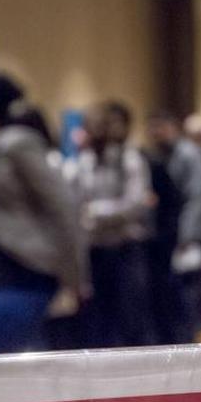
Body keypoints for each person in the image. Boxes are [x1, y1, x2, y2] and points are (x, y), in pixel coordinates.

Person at [0, 72, 86, 353]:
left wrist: (75, 275)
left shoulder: (17, 143)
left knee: (11, 365)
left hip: (18, 272)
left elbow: (61, 205)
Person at [67, 101, 155, 347]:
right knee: (96, 323)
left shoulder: (130, 159)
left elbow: (135, 202)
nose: (96, 133)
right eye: (91, 127)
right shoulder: (80, 163)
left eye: (101, 127)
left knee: (132, 321)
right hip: (94, 251)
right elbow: (72, 204)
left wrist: (95, 212)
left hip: (126, 249)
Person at [145, 110, 201, 344]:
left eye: (159, 128)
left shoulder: (188, 155)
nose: (155, 134)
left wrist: (187, 235)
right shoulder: (162, 156)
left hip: (183, 235)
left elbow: (197, 197)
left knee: (188, 295)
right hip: (166, 234)